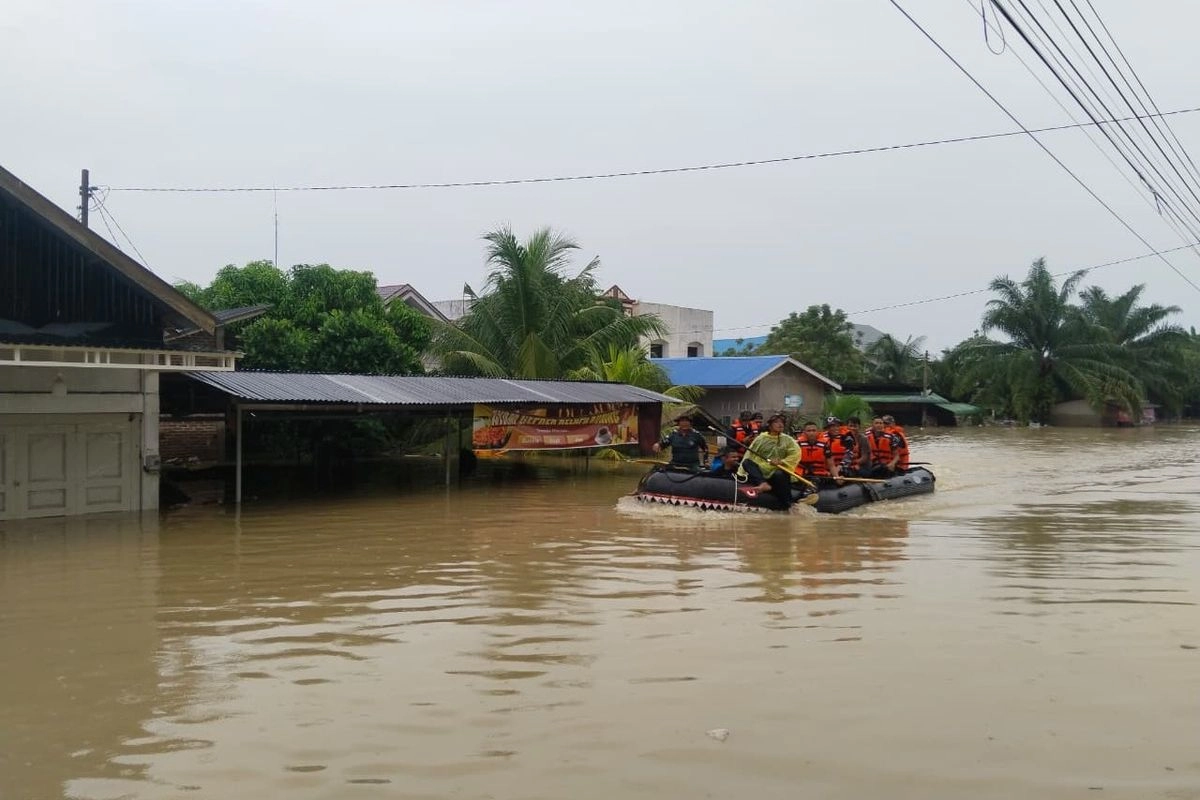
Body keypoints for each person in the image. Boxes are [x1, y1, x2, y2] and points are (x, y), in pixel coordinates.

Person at [741, 413, 804, 507]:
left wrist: (782, 461)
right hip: (762, 469)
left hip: (777, 470)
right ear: (769, 426)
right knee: (747, 463)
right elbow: (749, 454)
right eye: (776, 422)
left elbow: (796, 454)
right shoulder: (761, 438)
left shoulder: (788, 440)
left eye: (782, 422)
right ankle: (763, 483)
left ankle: (788, 503)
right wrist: (741, 473)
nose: (780, 424)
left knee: (779, 474)